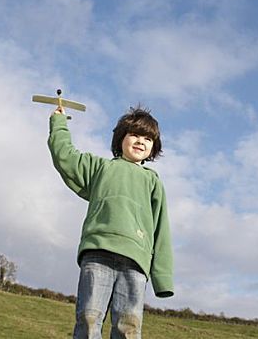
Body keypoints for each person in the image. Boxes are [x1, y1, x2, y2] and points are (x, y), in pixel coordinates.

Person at [48, 104, 174, 339]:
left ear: (154, 147)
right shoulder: (100, 168)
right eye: (134, 134)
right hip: (98, 253)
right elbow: (64, 155)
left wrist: (162, 277)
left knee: (128, 327)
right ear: (120, 139)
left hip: (135, 262)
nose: (140, 141)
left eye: (148, 138)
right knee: (88, 319)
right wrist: (59, 124)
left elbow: (161, 230)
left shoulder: (153, 181)